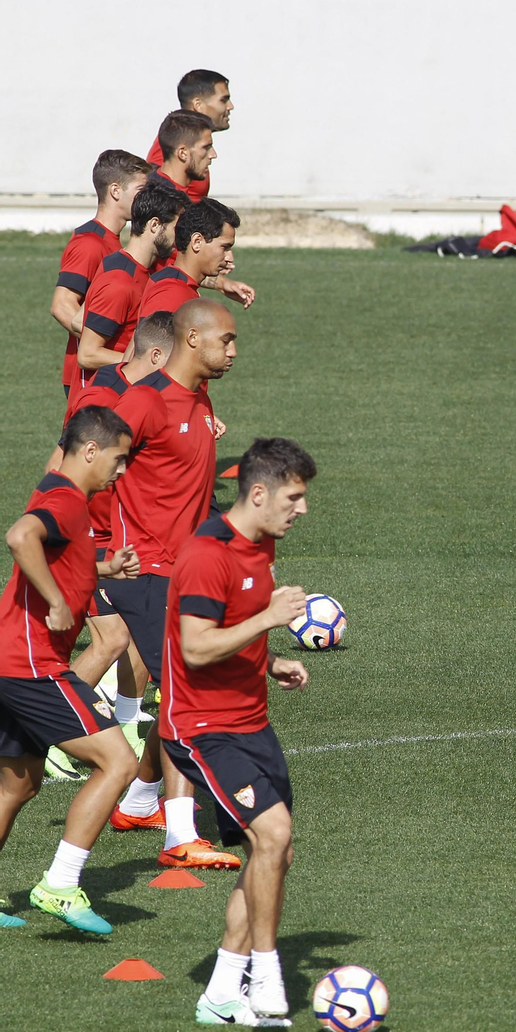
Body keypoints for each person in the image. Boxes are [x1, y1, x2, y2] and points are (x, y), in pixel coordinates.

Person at [165, 438, 315, 1026]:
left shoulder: (263, 543)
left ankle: (222, 991)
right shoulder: (207, 554)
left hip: (251, 722)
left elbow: (233, 625)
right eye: (294, 497)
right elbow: (197, 647)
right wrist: (269, 618)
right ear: (259, 493)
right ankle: (267, 972)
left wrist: (270, 657)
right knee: (273, 834)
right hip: (201, 728)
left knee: (270, 853)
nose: (301, 509)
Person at [104, 299, 240, 870]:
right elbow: (79, 463)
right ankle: (179, 835)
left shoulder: (200, 398)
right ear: (191, 340)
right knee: (187, 696)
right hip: (147, 573)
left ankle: (136, 801)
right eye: (226, 340)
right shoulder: (146, 400)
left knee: (182, 693)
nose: (233, 351)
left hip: (184, 572)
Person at [0, 407, 139, 934]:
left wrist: (102, 568)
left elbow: (57, 550)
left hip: (10, 659)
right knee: (119, 762)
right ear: (90, 452)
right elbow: (20, 537)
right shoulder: (64, 500)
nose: (121, 470)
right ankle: (59, 885)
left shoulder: (58, 490)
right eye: (118, 459)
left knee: (16, 786)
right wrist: (57, 601)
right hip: (32, 664)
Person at [51, 314, 179, 771]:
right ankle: (49, 736)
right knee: (111, 640)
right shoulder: (105, 399)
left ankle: (124, 721)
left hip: (121, 537)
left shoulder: (149, 400)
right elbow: (59, 463)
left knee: (136, 637)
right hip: (90, 536)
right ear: (159, 356)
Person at [51, 150, 152, 394]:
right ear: (116, 191)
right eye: (141, 191)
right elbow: (62, 305)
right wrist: (98, 346)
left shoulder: (115, 242)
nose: (147, 198)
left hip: (105, 368)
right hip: (89, 376)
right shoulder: (90, 243)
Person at [75, 185, 188, 381]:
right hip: (105, 402)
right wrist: (147, 363)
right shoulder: (120, 282)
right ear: (154, 225)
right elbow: (88, 354)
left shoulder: (132, 265)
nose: (179, 239)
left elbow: (78, 319)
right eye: (176, 229)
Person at [139, 198, 255, 320]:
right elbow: (147, 339)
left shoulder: (177, 284)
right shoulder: (173, 294)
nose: (230, 258)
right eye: (225, 247)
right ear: (197, 242)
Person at [147, 69, 232, 203]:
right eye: (223, 100)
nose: (230, 106)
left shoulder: (194, 143)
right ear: (198, 105)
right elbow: (156, 198)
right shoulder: (173, 144)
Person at [149, 110, 217, 202]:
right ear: (183, 153)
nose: (213, 155)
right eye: (206, 147)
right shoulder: (158, 202)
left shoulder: (174, 195)